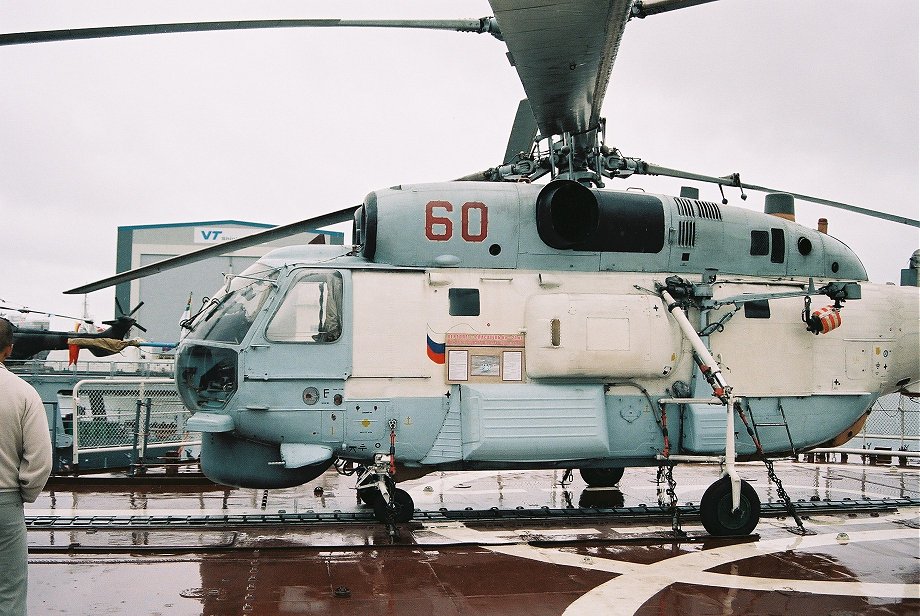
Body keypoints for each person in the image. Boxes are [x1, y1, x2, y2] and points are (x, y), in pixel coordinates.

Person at [0, 317, 52, 616]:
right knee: (9, 590)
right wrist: (25, 492)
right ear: (9, 349)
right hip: (4, 501)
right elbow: (40, 458)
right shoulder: (24, 392)